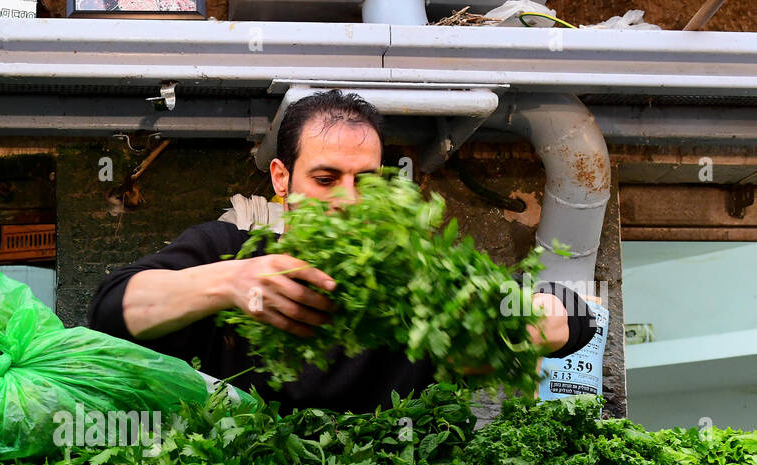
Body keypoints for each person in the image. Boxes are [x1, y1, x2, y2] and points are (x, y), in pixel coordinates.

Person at [87, 90, 599, 413]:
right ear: (282, 179)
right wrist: (229, 284)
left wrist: (533, 320)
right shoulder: (228, 251)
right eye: (326, 178)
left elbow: (578, 315)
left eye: (365, 180)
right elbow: (109, 311)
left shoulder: (418, 278)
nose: (348, 200)